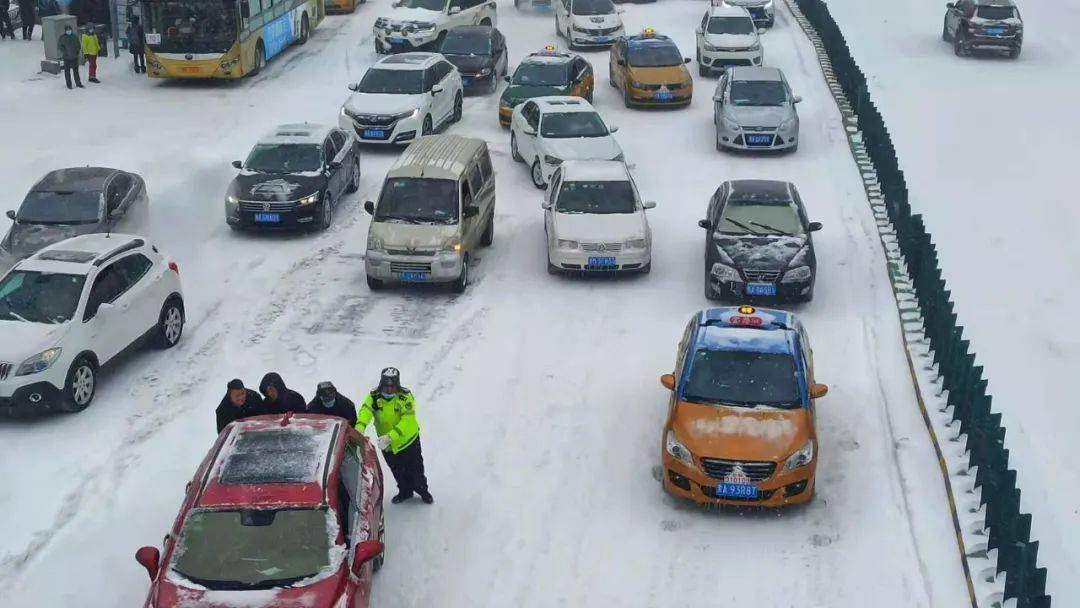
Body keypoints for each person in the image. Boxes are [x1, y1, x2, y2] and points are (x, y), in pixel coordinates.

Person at [355, 368, 432, 505]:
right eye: (386, 387)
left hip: (408, 443)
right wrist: (359, 428)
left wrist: (390, 436)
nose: (389, 390)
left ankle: (423, 491)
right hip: (388, 446)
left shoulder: (405, 397)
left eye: (392, 387)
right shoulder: (374, 396)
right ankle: (405, 492)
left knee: (416, 472)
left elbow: (408, 421)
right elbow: (366, 410)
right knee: (398, 472)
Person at [57, 24, 83, 89]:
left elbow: (78, 45)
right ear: (65, 31)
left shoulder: (74, 37)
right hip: (66, 58)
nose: (69, 31)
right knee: (67, 72)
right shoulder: (62, 37)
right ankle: (69, 85)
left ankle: (78, 83)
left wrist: (77, 52)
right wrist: (65, 52)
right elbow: (60, 46)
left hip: (74, 57)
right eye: (67, 30)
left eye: (70, 30)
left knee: (76, 71)